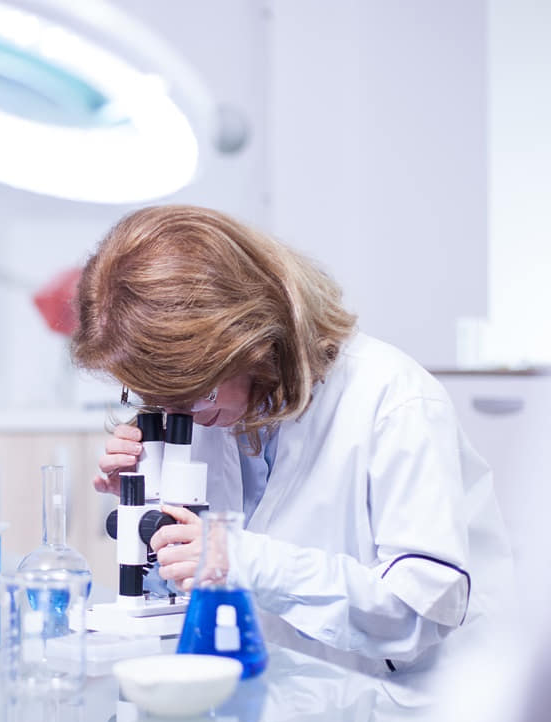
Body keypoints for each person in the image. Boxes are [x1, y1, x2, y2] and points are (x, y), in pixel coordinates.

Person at [72, 204, 514, 676]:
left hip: (406, 703)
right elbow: (198, 589)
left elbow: (418, 611)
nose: (180, 415)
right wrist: (149, 500)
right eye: (155, 396)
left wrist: (239, 557)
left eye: (192, 390)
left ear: (248, 340)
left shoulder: (395, 400)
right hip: (284, 695)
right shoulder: (209, 410)